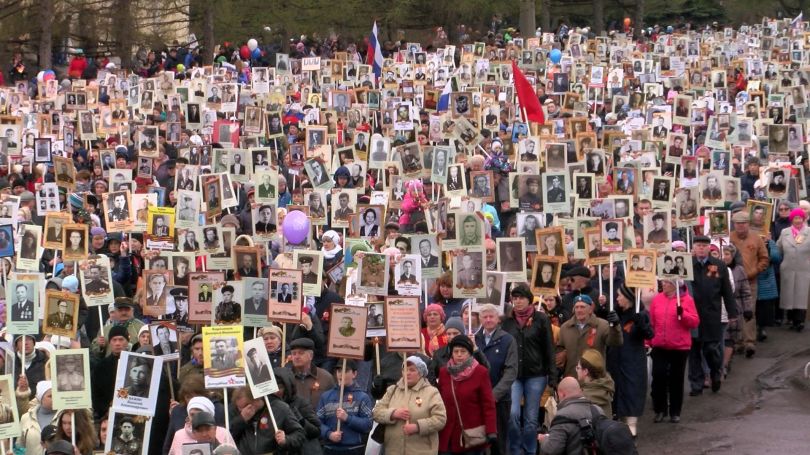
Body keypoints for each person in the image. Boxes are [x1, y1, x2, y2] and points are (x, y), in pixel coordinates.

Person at [498, 284, 555, 455]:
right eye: (514, 298)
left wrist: (552, 376)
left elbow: (549, 348)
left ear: (529, 299)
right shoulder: (507, 322)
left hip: (536, 375)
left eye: (521, 297)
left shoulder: (541, 319)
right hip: (513, 375)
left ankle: (530, 450)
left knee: (531, 419)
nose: (518, 301)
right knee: (513, 414)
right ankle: (515, 450)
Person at [688, 235, 737, 396]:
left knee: (711, 349)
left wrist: (732, 313)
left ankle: (715, 372)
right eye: (698, 245)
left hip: (712, 314)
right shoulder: (687, 265)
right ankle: (696, 383)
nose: (701, 248)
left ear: (709, 247)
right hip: (692, 314)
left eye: (704, 245)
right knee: (694, 350)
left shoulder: (719, 265)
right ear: (693, 248)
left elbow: (727, 292)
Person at [372, 356, 447, 455]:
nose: (407, 373)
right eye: (404, 370)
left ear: (420, 373)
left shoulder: (431, 392)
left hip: (422, 451)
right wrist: (393, 414)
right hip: (393, 451)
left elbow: (440, 419)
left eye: (412, 370)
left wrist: (418, 427)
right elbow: (376, 412)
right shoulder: (392, 390)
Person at [649, 278, 699, 423]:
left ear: (675, 285)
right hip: (659, 345)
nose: (663, 284)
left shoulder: (687, 300)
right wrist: (649, 341)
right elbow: (652, 322)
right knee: (658, 377)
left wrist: (683, 314)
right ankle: (660, 409)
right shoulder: (657, 300)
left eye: (667, 282)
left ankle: (675, 411)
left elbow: (695, 322)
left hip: (679, 346)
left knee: (676, 379)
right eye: (663, 282)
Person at [437, 336, 497, 454]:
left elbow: (488, 404)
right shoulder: (444, 372)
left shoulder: (480, 372)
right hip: (447, 436)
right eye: (456, 351)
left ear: (470, 353)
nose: (459, 354)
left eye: (463, 351)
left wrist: (491, 430)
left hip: (471, 436)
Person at [607, 284, 654, 436]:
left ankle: (632, 425)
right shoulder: (615, 313)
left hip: (633, 360)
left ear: (628, 298)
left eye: (620, 295)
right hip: (615, 360)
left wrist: (641, 323)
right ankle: (619, 424)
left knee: (632, 391)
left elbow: (649, 334)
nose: (617, 298)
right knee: (617, 390)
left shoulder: (640, 314)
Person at [729, 211, 768, 357]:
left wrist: (755, 271)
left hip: (750, 281)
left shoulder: (756, 238)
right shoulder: (728, 238)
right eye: (738, 223)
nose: (741, 226)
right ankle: (737, 342)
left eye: (743, 223)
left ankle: (749, 342)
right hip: (731, 282)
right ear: (734, 224)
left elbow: (764, 258)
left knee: (749, 311)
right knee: (734, 311)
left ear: (748, 224)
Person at [556, 294, 623, 378]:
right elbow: (560, 351)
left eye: (582, 307)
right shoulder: (565, 327)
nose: (579, 310)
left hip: (594, 379)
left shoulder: (602, 325)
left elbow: (615, 342)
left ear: (590, 309)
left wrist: (615, 326)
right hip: (571, 378)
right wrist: (557, 370)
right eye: (576, 307)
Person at [316, 360, 373, 455]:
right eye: (339, 371)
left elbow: (368, 424)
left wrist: (348, 418)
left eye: (345, 371)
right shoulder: (326, 397)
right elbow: (317, 423)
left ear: (354, 374)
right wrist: (329, 434)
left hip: (353, 449)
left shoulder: (362, 397)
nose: (341, 374)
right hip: (330, 448)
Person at [231, 386, 306, 453]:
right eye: (238, 408)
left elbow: (299, 434)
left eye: (245, 406)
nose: (241, 411)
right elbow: (228, 437)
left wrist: (286, 440)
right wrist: (241, 420)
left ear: (257, 400)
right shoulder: (237, 412)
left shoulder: (280, 408)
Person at [536, 377, 603, 454]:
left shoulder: (562, 416)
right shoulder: (598, 410)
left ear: (562, 394)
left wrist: (544, 440)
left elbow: (551, 450)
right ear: (580, 391)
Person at [777, 208, 810, 332]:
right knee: (789, 294)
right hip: (788, 268)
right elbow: (778, 249)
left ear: (803, 219)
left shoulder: (809, 232)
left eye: (800, 218)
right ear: (792, 219)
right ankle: (791, 319)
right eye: (795, 218)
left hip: (804, 268)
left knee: (801, 294)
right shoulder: (785, 232)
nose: (798, 220)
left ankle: (800, 321)